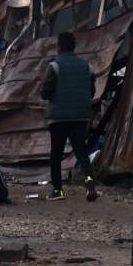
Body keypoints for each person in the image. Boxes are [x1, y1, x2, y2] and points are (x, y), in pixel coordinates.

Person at [41, 31, 98, 202]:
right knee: (82, 152)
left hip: (58, 118)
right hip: (80, 117)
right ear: (74, 47)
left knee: (56, 154)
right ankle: (90, 184)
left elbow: (46, 93)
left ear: (59, 46)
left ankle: (58, 190)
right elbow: (92, 91)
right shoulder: (87, 67)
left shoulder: (54, 66)